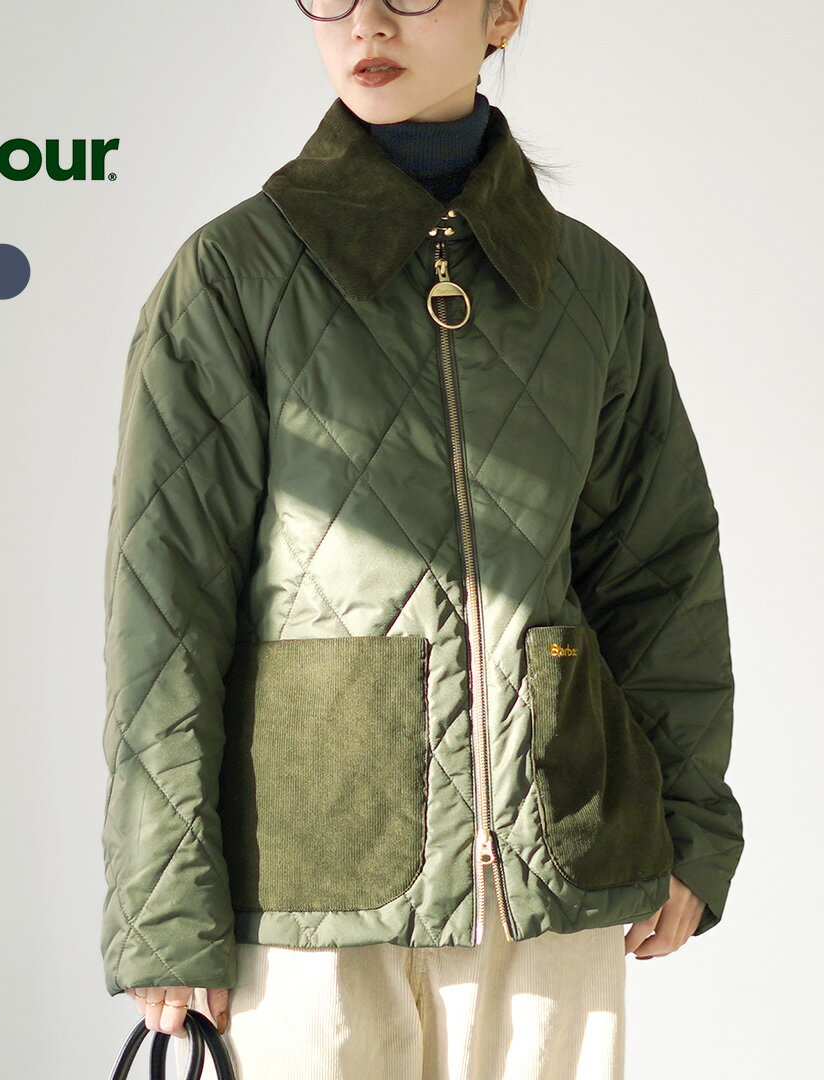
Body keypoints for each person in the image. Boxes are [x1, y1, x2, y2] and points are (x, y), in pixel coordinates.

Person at [99, 1, 744, 1077]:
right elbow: (166, 608)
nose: (366, 22)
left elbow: (662, 575)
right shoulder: (232, 275)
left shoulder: (594, 288)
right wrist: (165, 905)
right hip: (310, 881)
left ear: (503, 13)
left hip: (557, 878)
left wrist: (691, 824)